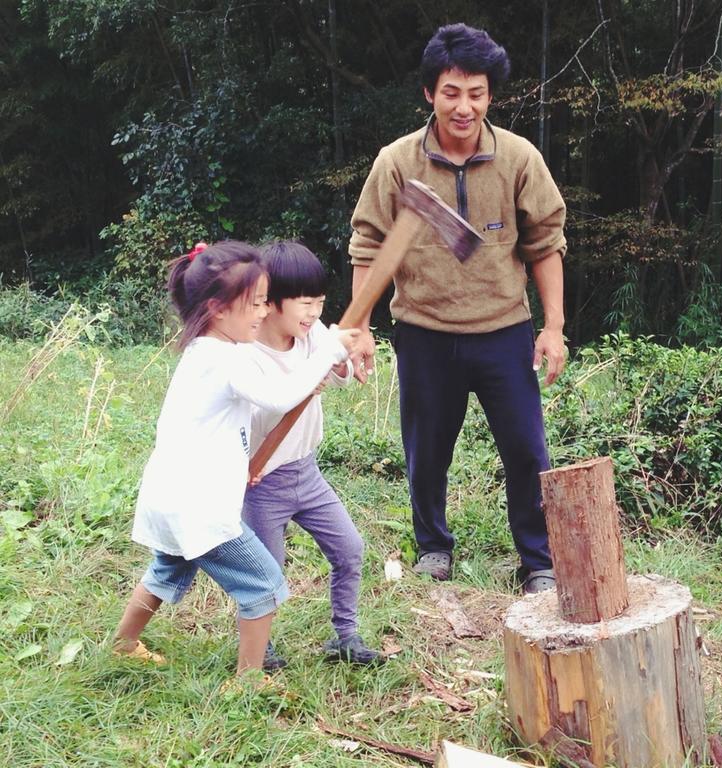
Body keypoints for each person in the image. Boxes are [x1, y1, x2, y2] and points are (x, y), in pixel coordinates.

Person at [348, 23, 567, 593]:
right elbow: (369, 245)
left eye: (476, 92)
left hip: (504, 331)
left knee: (526, 449)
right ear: (430, 93)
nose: (464, 106)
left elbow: (545, 243)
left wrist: (555, 327)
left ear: (490, 94)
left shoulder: (519, 157)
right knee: (426, 452)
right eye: (451, 92)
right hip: (424, 332)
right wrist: (362, 327)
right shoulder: (397, 163)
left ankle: (538, 561)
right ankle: (433, 548)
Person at [111, 240, 357, 682]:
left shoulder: (205, 353)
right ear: (218, 309)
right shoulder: (225, 361)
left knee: (165, 570)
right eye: (257, 304)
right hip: (200, 508)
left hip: (171, 497)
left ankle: (124, 643)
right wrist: (328, 352)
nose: (264, 313)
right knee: (263, 584)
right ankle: (248, 680)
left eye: (266, 302)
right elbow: (281, 396)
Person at [243, 241, 382, 670]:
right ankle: (258, 650)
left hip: (308, 474)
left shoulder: (312, 335)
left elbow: (337, 374)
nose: (313, 314)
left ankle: (345, 635)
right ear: (271, 303)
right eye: (305, 304)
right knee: (266, 573)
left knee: (349, 549)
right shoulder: (247, 352)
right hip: (263, 482)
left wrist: (341, 361)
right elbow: (270, 402)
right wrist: (313, 372)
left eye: (320, 304)